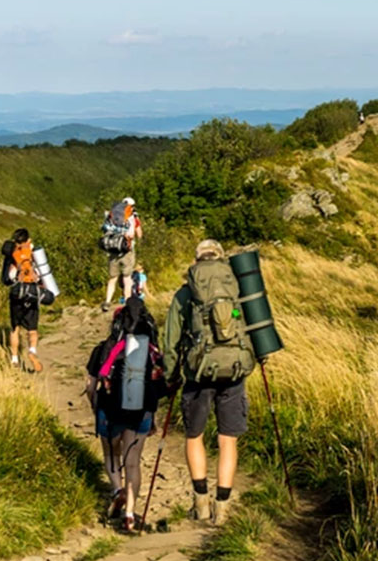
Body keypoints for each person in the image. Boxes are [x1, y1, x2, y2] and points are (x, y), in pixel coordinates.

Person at [163, 239, 256, 526]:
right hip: (235, 371)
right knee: (227, 440)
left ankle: (200, 503)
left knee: (195, 437)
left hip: (197, 374)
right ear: (220, 259)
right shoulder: (236, 288)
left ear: (196, 261)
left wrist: (170, 376)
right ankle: (223, 507)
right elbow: (250, 325)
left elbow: (170, 341)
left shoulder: (185, 294)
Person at [85, 297, 165, 532]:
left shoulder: (104, 349)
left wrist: (94, 407)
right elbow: (161, 385)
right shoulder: (152, 351)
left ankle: (117, 490)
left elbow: (91, 385)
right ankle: (130, 513)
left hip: (109, 410)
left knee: (112, 455)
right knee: (133, 463)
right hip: (140, 413)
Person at [3, 228, 46, 372]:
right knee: (32, 329)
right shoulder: (34, 253)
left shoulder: (12, 253)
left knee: (15, 328)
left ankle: (14, 359)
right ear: (28, 240)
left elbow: (8, 278)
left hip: (17, 293)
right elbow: (41, 275)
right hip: (32, 292)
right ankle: (32, 350)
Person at [103, 197, 143, 312]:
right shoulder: (133, 217)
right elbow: (139, 234)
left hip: (113, 250)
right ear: (132, 206)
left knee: (112, 278)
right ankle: (127, 302)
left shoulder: (113, 215)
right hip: (126, 250)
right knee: (127, 277)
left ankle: (107, 301)